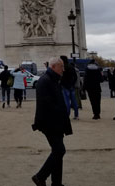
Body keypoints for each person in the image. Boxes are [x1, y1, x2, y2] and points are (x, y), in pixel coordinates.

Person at [31, 57, 72, 186]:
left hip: (56, 122)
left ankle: (56, 183)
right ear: (53, 67)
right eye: (61, 67)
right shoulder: (45, 81)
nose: (63, 70)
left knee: (57, 152)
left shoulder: (52, 79)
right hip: (50, 123)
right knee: (60, 150)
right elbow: (47, 105)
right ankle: (40, 176)